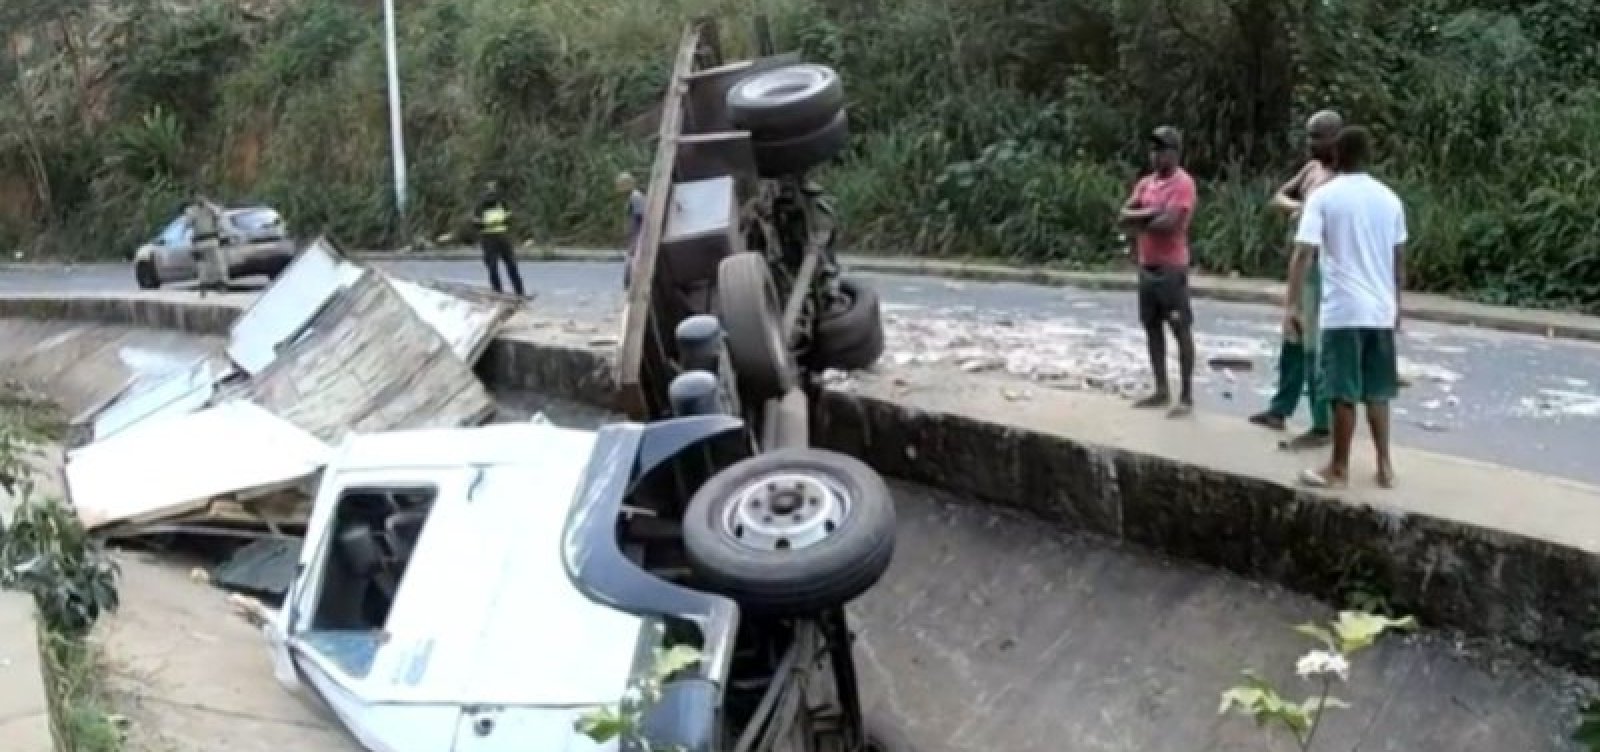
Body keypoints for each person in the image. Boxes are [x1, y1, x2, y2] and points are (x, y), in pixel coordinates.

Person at [1289, 125, 1407, 490]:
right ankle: (1385, 466)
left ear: (1337, 156)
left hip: (1342, 311)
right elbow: (1398, 258)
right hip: (1380, 310)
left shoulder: (1325, 197)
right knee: (1378, 391)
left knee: (1342, 391)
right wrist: (1397, 305)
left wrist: (1292, 304)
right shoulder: (1390, 199)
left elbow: (1303, 253)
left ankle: (1338, 468)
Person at [1249, 109, 1343, 450]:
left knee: (1313, 345)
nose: (1311, 143)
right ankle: (1280, 408)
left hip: (1321, 265)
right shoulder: (1311, 171)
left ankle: (1321, 423)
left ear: (1336, 138)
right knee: (1291, 335)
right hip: (1300, 260)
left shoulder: (1342, 179)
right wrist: (1297, 209)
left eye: (1317, 136)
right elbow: (1278, 196)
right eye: (1309, 136)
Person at [1118, 125, 1199, 418]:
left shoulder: (1183, 184)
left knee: (1180, 328)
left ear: (1174, 153)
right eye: (1153, 150)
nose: (1155, 156)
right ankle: (1161, 388)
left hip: (1171, 267)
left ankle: (1187, 394)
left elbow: (1171, 223)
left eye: (1161, 150)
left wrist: (1140, 220)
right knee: (1152, 328)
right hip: (1147, 264)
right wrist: (1151, 214)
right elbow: (1123, 215)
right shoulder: (1145, 184)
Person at [473, 181, 526, 297]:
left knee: (512, 265)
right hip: (488, 239)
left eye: (493, 191)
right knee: (492, 267)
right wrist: (487, 224)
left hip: (503, 237)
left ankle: (520, 293)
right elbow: (476, 223)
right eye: (489, 191)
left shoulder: (502, 204)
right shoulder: (480, 207)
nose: (491, 194)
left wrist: (503, 222)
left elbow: (510, 218)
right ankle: (497, 293)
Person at [186, 195, 227, 295]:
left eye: (202, 197)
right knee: (203, 266)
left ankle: (220, 285)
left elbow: (219, 216)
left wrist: (209, 206)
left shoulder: (211, 208)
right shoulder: (191, 211)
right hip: (200, 241)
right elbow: (188, 223)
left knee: (218, 264)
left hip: (211, 239)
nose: (200, 199)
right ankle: (204, 286)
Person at [618, 171, 646, 290]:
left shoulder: (636, 197)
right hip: (633, 236)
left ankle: (630, 286)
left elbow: (642, 216)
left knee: (631, 262)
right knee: (630, 260)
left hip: (637, 236)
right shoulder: (632, 197)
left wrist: (637, 238)